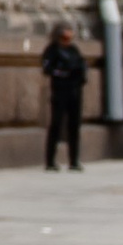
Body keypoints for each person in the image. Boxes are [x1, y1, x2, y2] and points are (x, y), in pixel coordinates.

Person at [40, 19, 89, 172]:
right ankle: (50, 161)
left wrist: (79, 75)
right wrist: (63, 73)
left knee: (74, 126)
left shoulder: (74, 50)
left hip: (74, 91)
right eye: (64, 38)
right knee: (56, 125)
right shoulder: (52, 50)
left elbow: (81, 68)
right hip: (60, 91)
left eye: (70, 37)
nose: (68, 41)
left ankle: (74, 160)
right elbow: (47, 69)